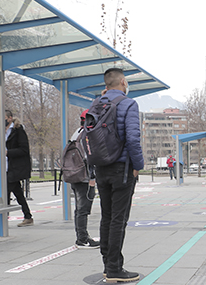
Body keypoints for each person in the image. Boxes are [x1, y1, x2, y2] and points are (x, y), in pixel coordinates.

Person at [94, 68, 143, 283]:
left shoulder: (96, 104)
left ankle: (107, 263)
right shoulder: (128, 103)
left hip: (101, 167)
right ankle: (115, 268)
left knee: (106, 215)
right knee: (118, 219)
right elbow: (132, 139)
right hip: (122, 169)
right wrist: (138, 165)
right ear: (123, 82)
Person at [69, 110, 100, 248]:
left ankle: (82, 236)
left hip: (75, 175)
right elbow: (90, 157)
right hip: (84, 177)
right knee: (83, 208)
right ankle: (82, 238)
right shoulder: (87, 135)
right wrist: (92, 177)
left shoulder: (77, 133)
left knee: (79, 209)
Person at [3, 110, 34, 227]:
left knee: (6, 191)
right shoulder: (1, 131)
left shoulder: (18, 130)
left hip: (16, 166)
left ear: (10, 118)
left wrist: (8, 152)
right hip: (6, 166)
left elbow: (24, 149)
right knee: (17, 192)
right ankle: (28, 216)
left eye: (4, 118)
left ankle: (3, 217)